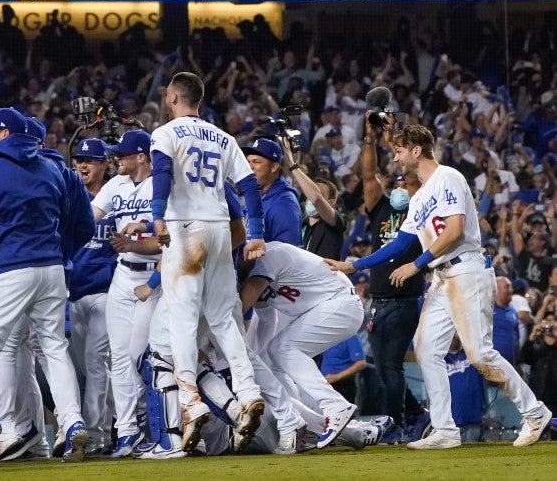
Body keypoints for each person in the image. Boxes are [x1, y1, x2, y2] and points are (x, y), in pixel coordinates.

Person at [327, 124, 552, 450]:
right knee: (427, 348)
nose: (397, 157)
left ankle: (534, 412)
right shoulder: (418, 200)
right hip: (443, 279)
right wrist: (354, 265)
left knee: (480, 354)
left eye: (400, 151)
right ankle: (445, 430)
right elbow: (399, 244)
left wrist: (416, 265)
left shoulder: (448, 177)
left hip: (467, 272)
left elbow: (456, 230)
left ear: (417, 150)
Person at [0, 107, 94, 463]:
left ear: (5, 134)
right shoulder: (53, 168)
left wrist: (4, 230)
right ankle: (72, 420)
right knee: (53, 347)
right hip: (52, 268)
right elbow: (74, 221)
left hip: (12, 268)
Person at [149, 71, 266, 452]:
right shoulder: (223, 136)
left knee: (182, 320)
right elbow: (248, 185)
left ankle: (189, 400)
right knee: (221, 318)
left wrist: (157, 215)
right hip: (218, 230)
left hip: (186, 229)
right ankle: (247, 393)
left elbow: (163, 173)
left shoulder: (165, 133)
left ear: (171, 97)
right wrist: (258, 231)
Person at [240, 241, 364, 449]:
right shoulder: (254, 273)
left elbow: (240, 306)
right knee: (274, 359)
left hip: (340, 303)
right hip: (327, 308)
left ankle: (335, 406)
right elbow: (266, 320)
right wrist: (254, 357)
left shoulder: (270, 256)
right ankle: (309, 426)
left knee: (283, 349)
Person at [355, 113, 428, 444]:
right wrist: (370, 138)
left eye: (403, 182)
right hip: (376, 300)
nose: (400, 186)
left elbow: (412, 178)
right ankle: (416, 414)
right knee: (383, 368)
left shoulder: (416, 207)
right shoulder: (379, 207)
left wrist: (392, 139)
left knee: (393, 365)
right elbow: (368, 174)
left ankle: (397, 424)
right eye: (395, 182)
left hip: (404, 299)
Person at [91, 130, 162, 458]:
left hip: (154, 278)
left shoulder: (159, 184)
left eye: (123, 154)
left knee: (137, 357)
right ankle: (127, 430)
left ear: (142, 157)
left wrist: (135, 244)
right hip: (122, 276)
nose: (116, 158)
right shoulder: (116, 185)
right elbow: (89, 216)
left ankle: (152, 422)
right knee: (119, 358)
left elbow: (167, 241)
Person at [64, 137, 115, 456]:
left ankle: (95, 435)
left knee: (97, 365)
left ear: (105, 165)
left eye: (91, 160)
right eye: (79, 160)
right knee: (89, 370)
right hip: (74, 295)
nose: (83, 165)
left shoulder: (117, 196)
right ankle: (112, 431)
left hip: (106, 294)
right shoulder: (70, 198)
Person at [279, 138, 345, 258]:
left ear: (331, 202)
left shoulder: (336, 223)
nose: (311, 198)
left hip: (323, 276)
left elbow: (317, 199)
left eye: (320, 193)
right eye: (309, 194)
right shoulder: (300, 224)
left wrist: (293, 165)